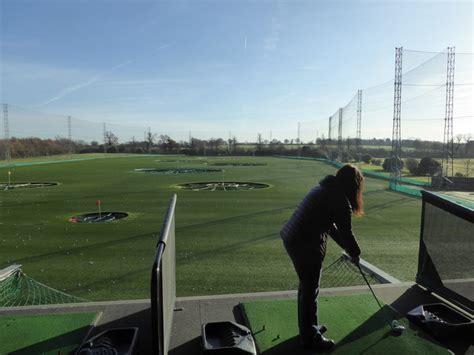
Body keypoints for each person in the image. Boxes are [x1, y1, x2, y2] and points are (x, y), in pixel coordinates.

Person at [281, 164, 364, 350]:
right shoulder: (339, 199)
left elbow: (332, 227)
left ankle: (309, 330)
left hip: (293, 237)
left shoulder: (325, 188)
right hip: (303, 242)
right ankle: (311, 338)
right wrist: (355, 253)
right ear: (353, 185)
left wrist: (350, 250)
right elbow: (346, 232)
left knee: (308, 288)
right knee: (310, 290)